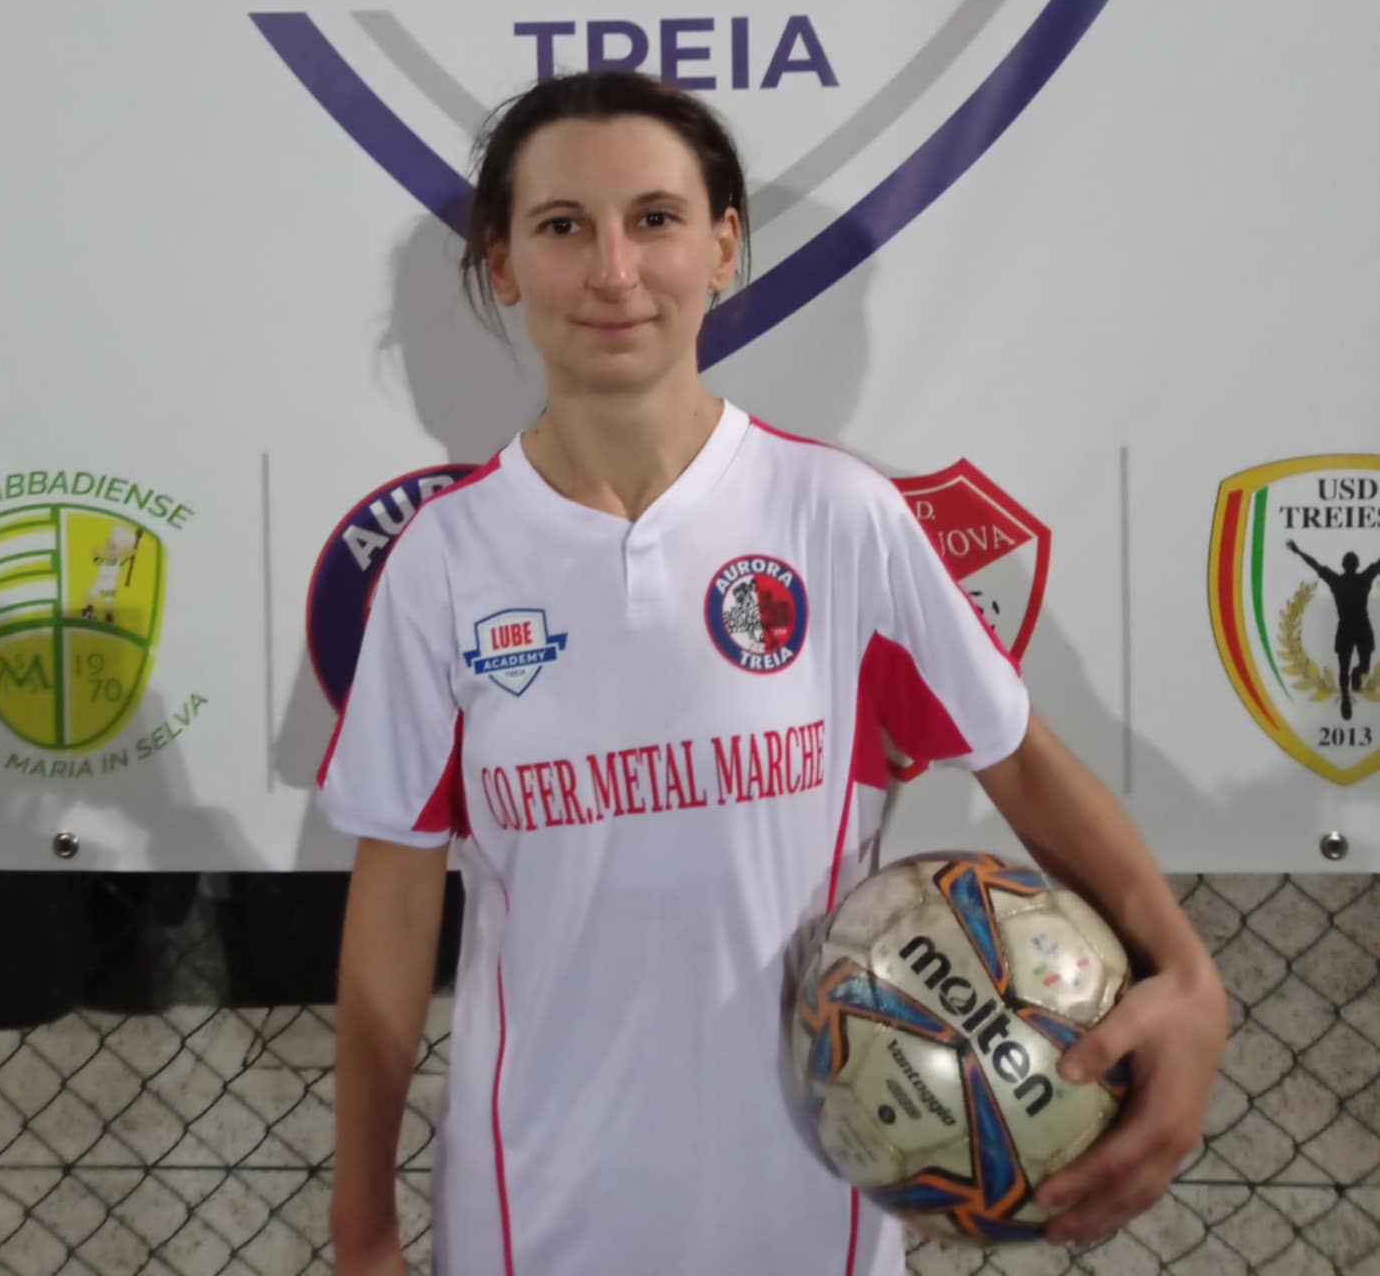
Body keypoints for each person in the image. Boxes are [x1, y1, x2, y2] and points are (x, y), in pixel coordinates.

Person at [319, 70, 1226, 1276]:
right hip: (533, 1210)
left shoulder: (836, 516)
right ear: (502, 263)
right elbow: (393, 905)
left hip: (811, 1208)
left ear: (722, 245)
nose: (613, 271)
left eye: (655, 218)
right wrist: (362, 1227)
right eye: (562, 225)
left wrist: (1188, 973)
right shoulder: (444, 561)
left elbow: (1019, 759)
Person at [1286, 539, 1379, 722]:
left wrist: (1298, 551)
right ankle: (1347, 691)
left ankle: (1352, 680)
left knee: (1352, 667)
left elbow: (1315, 565)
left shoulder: (1338, 581)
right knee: (1358, 666)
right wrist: (1298, 551)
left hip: (1350, 627)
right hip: (1359, 626)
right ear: (1356, 565)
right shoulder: (1363, 578)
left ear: (1345, 565)